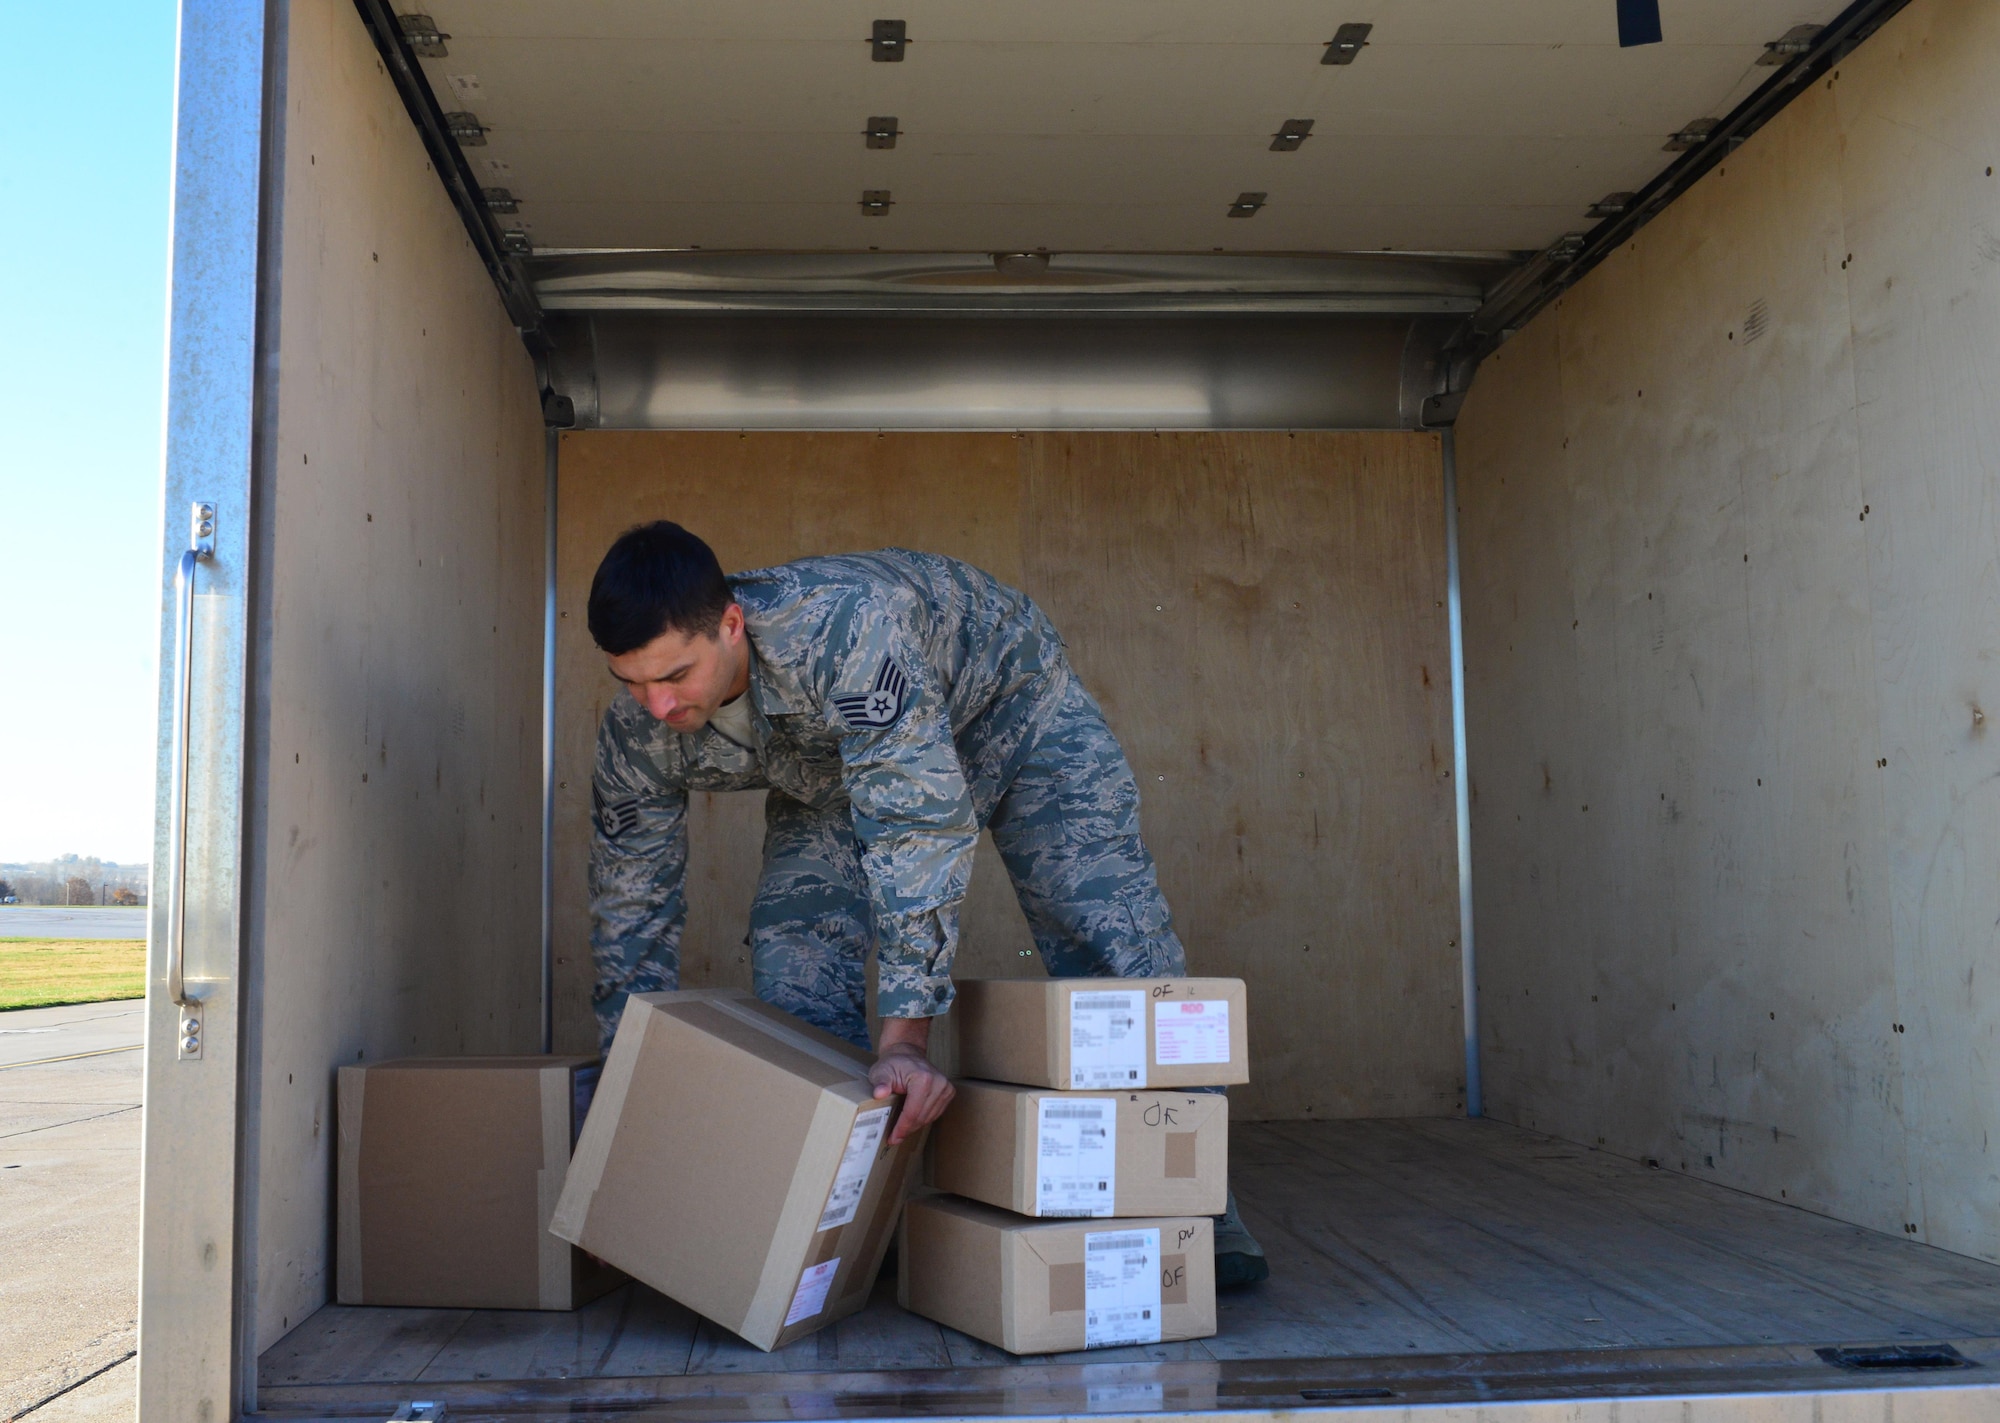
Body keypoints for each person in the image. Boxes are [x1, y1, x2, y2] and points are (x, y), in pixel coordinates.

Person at [586, 522, 1267, 1286]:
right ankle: (835, 1224)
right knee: (795, 962)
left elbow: (919, 824)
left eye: (675, 673)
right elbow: (631, 906)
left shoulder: (842, 630)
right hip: (838, 767)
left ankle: (1200, 1207)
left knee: (1109, 939)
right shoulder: (636, 734)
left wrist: (906, 1038)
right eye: (631, 681)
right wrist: (624, 1125)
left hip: (1009, 707)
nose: (656, 703)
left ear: (732, 624)